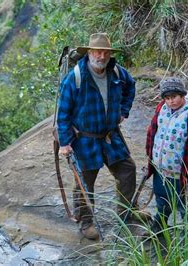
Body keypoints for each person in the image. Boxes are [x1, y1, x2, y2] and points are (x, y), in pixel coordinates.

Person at [57, 33, 142, 240]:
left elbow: (130, 86)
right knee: (85, 181)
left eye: (105, 52)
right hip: (85, 138)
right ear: (89, 52)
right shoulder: (75, 77)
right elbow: (63, 113)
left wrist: (124, 110)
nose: (101, 56)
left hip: (110, 135)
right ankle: (86, 222)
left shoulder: (116, 72)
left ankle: (126, 212)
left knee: (127, 170)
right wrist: (65, 142)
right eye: (97, 51)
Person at [145, 77, 188, 234]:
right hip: (160, 171)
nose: (171, 101)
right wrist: (150, 161)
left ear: (182, 95)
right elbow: (152, 133)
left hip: (183, 175)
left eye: (174, 97)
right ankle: (159, 228)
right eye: (167, 98)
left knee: (187, 209)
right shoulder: (161, 108)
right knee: (162, 201)